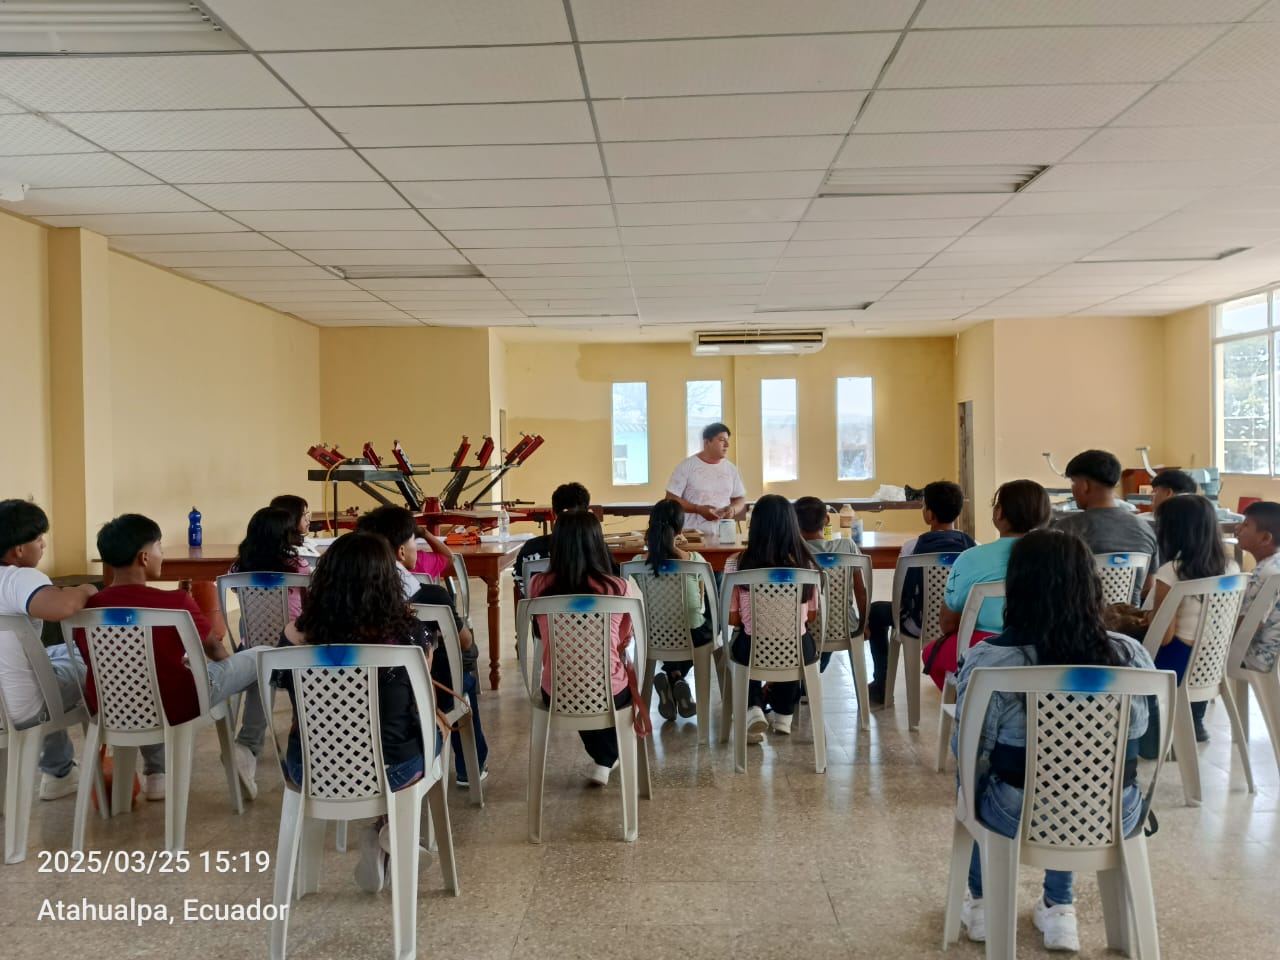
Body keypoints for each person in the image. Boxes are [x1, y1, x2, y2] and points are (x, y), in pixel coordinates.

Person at [954, 529, 1155, 953]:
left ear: (1016, 586)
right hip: (1115, 810)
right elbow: (1139, 732)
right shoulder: (1129, 654)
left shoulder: (991, 659)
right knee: (1076, 773)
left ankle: (983, 901)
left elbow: (968, 749)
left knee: (976, 775)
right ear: (1091, 584)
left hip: (1016, 813)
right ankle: (1060, 907)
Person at [277, 532, 441, 894]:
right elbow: (420, 703)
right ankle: (390, 830)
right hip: (393, 769)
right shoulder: (410, 637)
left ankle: (381, 833)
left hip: (310, 768)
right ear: (388, 580)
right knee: (427, 735)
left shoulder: (292, 636)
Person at [78, 514, 259, 802]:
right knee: (261, 656)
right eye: (160, 546)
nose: (162, 554)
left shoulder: (88, 608)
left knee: (145, 677)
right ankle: (247, 747)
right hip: (178, 705)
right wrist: (226, 678)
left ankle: (156, 774)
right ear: (144, 557)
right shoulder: (175, 602)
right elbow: (215, 651)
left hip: (112, 705)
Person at [355, 507, 488, 787]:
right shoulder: (429, 595)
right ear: (402, 551)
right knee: (461, 676)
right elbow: (464, 641)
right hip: (413, 711)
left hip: (350, 716)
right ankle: (470, 768)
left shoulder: (338, 604)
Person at [527, 510, 642, 785]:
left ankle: (605, 757)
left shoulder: (537, 585)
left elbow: (539, 630)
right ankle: (608, 756)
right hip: (610, 692)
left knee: (575, 680)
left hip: (555, 692)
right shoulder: (618, 587)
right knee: (600, 680)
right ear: (597, 544)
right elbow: (623, 640)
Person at [0, 499, 97, 800]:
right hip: (23, 708)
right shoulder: (19, 577)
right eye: (38, 537)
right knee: (95, 660)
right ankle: (61, 774)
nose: (43, 544)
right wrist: (85, 590)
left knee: (47, 658)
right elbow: (62, 608)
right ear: (19, 549)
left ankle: (58, 770)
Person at [224, 505, 313, 798]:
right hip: (293, 648)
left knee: (261, 663)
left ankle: (247, 746)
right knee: (283, 657)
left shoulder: (237, 569)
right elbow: (310, 605)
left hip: (253, 647)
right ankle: (305, 740)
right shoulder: (298, 567)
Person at [863, 482, 976, 704]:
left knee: (876, 612)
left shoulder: (911, 547)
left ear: (929, 514)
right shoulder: (973, 547)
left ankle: (881, 684)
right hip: (961, 623)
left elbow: (900, 593)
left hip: (916, 623)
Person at [1141, 495, 1239, 748]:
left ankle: (1148, 731)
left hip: (1178, 662)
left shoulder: (1171, 572)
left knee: (1130, 650)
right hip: (1213, 659)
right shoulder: (1232, 568)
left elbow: (1164, 637)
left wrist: (1148, 617)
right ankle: (1195, 719)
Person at [724, 494, 819, 741]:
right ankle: (784, 715)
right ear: (792, 525)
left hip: (752, 649)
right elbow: (811, 616)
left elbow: (732, 620)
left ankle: (753, 708)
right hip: (796, 650)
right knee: (795, 640)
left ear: (755, 526)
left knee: (743, 644)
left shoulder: (736, 564)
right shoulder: (806, 565)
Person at [633, 499, 712, 722]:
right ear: (679, 529)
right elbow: (700, 603)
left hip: (653, 636)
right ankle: (677, 678)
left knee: (669, 629)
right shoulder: (695, 560)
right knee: (700, 625)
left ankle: (673, 676)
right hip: (692, 637)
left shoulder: (636, 563)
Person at [941, 480, 1051, 639]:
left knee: (932, 650)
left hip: (983, 647)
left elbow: (948, 624)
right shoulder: (1061, 557)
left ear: (999, 512)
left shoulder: (970, 558)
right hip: (1046, 648)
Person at [793, 496, 868, 673]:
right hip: (847, 627)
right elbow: (861, 591)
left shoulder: (794, 552)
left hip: (807, 630)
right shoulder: (848, 546)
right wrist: (865, 624)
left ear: (794, 523)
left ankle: (807, 680)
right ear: (826, 519)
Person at [1054, 449, 1157, 562]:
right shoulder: (1145, 529)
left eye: (1073, 483)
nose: (1072, 489)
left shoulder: (1065, 529)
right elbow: (1152, 574)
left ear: (1085, 485)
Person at [665, 422, 747, 536]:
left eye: (728, 440)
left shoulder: (731, 469)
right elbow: (670, 498)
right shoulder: (686, 466)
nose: (727, 445)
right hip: (693, 536)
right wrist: (697, 509)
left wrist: (732, 510)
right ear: (707, 442)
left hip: (724, 535)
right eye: (722, 440)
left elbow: (740, 499)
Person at [514, 482, 591, 597]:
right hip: (591, 607)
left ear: (553, 514)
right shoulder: (598, 549)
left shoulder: (531, 548)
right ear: (587, 513)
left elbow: (523, 588)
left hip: (541, 608)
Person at [1235, 500, 1280, 674]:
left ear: (1265, 538)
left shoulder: (1264, 574)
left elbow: (1246, 628)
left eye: (1246, 525)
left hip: (1257, 659)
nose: (1238, 529)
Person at [269, 494, 318, 558]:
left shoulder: (301, 539)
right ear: (291, 518)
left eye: (307, 514)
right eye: (303, 514)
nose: (307, 519)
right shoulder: (294, 553)